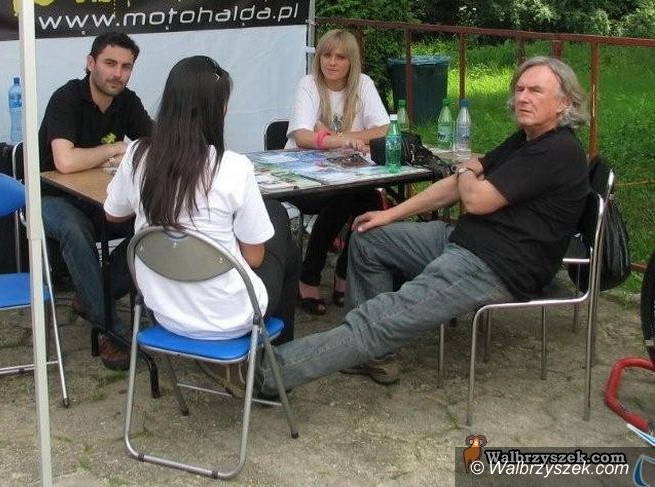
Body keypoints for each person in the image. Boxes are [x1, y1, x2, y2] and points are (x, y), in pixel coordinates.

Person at [251, 55, 592, 395]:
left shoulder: (557, 151)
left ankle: (267, 374)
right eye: (520, 89)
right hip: (465, 240)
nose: (523, 97)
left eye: (535, 91)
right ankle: (373, 355)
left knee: (381, 318)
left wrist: (466, 170)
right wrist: (388, 215)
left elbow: (474, 198)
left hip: (494, 266)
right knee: (369, 237)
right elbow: (454, 186)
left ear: (564, 103)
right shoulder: (526, 139)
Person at [103, 56, 300, 395]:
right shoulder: (233, 167)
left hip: (164, 314)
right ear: (216, 110)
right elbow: (254, 258)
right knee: (281, 230)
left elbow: (112, 213)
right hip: (229, 318)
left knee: (270, 222)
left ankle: (256, 367)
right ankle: (271, 371)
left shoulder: (137, 157)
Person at [39, 31, 153, 370]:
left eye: (126, 67)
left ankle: (90, 295)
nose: (117, 74)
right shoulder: (67, 98)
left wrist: (135, 152)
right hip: (50, 198)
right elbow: (65, 162)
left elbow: (156, 145)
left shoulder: (128, 101)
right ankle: (111, 330)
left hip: (99, 197)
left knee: (155, 224)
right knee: (74, 231)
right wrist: (116, 148)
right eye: (109, 63)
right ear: (91, 63)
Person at [285, 29, 389, 316]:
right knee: (344, 198)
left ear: (351, 61)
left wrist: (334, 135)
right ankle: (311, 276)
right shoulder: (309, 84)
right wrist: (344, 141)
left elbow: (383, 129)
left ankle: (343, 273)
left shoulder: (363, 84)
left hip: (348, 174)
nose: (331, 62)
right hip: (303, 177)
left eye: (340, 57)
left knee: (368, 200)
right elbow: (302, 136)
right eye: (326, 55)